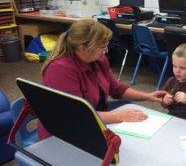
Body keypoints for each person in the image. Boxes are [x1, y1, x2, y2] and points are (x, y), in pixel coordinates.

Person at [38, 19, 167, 141]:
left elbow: (116, 88)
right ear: (83, 49)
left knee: (133, 112)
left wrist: (148, 96)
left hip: (92, 119)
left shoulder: (97, 59)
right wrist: (120, 116)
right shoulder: (61, 69)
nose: (106, 50)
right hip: (64, 133)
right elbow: (77, 116)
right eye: (102, 47)